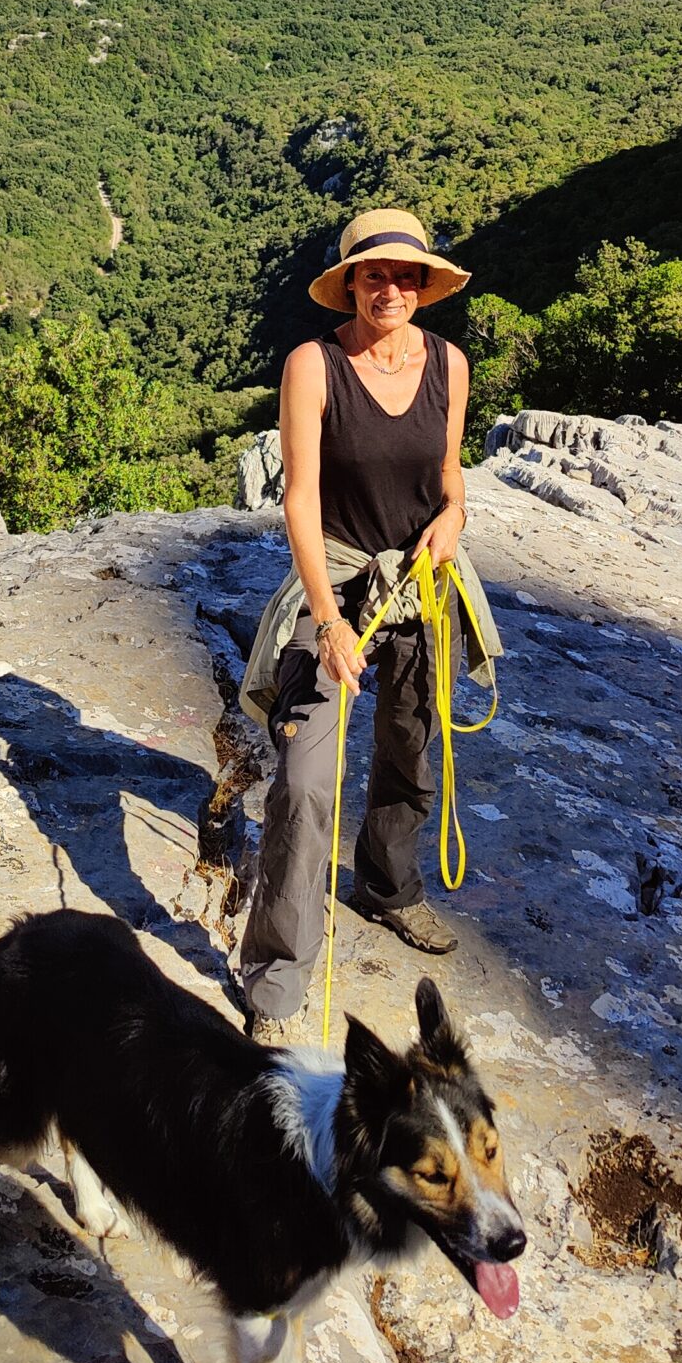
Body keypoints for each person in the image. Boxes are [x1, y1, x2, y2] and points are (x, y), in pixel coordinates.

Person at [237, 207, 502, 1047]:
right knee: (306, 781)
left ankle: (387, 890)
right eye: (372, 274)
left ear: (424, 286)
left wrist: (454, 518)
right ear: (349, 283)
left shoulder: (449, 364)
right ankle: (277, 982)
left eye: (405, 275)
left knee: (408, 752)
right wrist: (324, 621)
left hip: (421, 586)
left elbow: (448, 472)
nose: (389, 288)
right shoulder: (314, 366)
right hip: (343, 583)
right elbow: (301, 499)